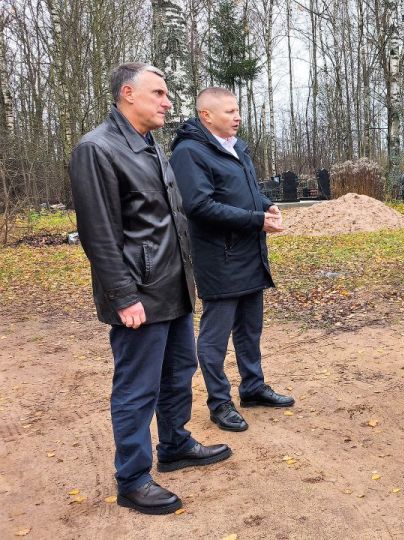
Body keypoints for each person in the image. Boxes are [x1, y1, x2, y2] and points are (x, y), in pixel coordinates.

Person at [69, 63, 231, 515]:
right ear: (127, 94)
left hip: (174, 286)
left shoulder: (149, 145)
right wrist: (123, 296)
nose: (167, 101)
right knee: (137, 387)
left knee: (179, 371)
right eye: (158, 93)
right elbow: (99, 233)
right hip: (138, 293)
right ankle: (133, 477)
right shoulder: (97, 149)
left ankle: (175, 443)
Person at [170, 87, 294, 433]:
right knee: (214, 337)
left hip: (250, 255)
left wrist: (265, 203)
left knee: (250, 330)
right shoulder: (190, 152)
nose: (237, 117)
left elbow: (245, 189)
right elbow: (198, 206)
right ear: (206, 116)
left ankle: (252, 388)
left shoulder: (237, 147)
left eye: (237, 110)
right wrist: (256, 220)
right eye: (228, 112)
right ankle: (219, 401)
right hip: (220, 259)